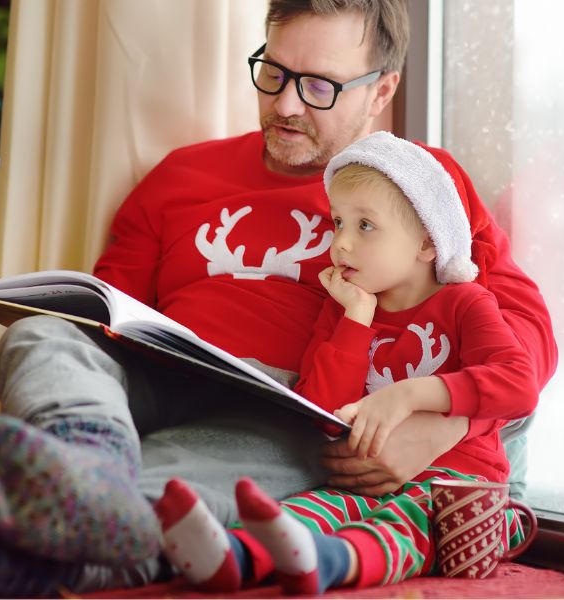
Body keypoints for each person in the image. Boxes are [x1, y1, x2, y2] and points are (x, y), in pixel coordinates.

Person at [0, 1, 557, 597]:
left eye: (319, 86)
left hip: (287, 410)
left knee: (180, 490)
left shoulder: (419, 190)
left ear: (382, 91)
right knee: (42, 335)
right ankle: (87, 465)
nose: (287, 104)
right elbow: (105, 307)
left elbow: (525, 333)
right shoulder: (182, 176)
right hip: (161, 371)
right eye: (275, 72)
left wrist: (445, 425)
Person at [154, 131, 538, 595]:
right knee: (315, 507)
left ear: (427, 244)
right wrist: (356, 320)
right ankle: (238, 556)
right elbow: (320, 406)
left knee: (404, 523)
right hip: (365, 479)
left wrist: (411, 395)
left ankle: (329, 563)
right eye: (338, 222)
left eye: (365, 226)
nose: (341, 244)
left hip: (456, 490)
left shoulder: (466, 304)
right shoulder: (345, 307)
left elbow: (518, 384)